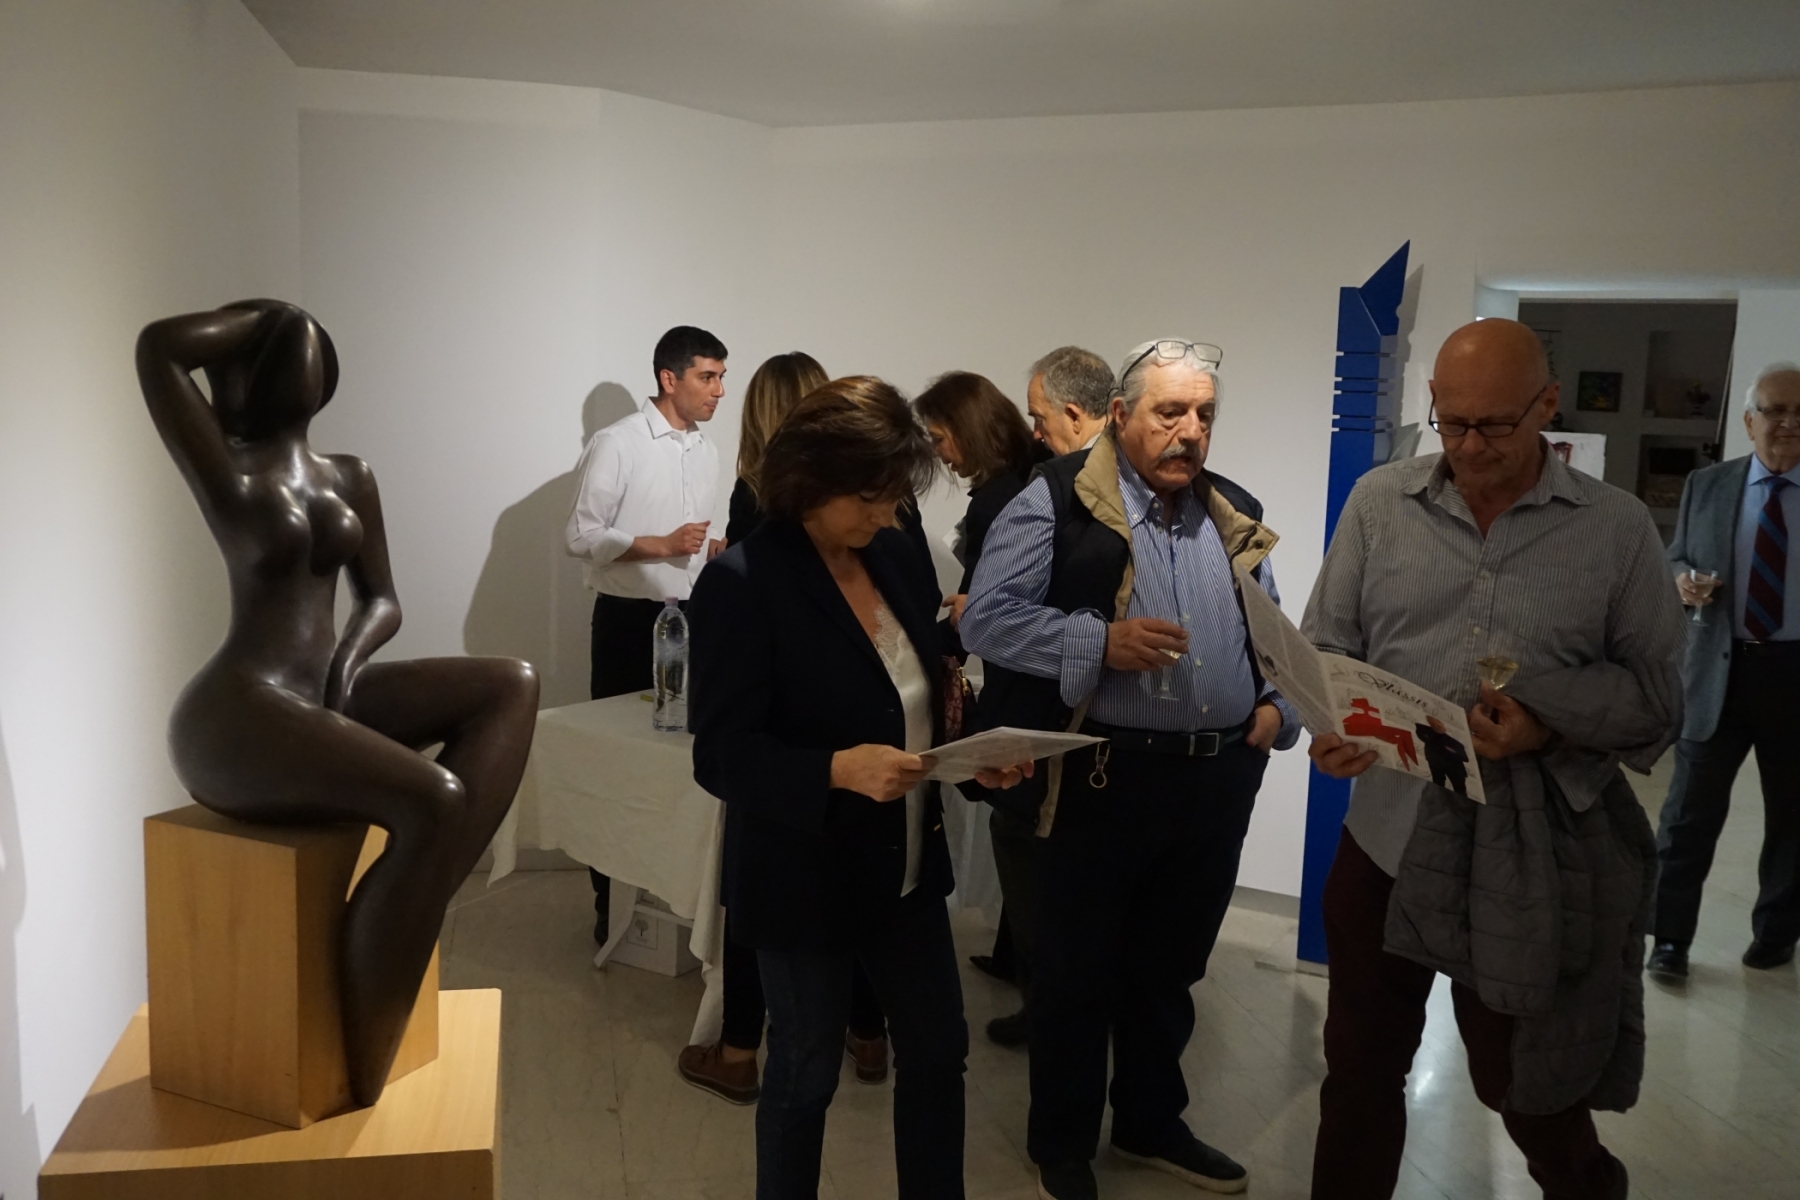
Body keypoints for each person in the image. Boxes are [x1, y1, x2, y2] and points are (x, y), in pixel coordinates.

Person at [1303, 318, 1685, 1200]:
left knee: (1528, 1088)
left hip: (1527, 860)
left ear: (1547, 407)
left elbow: (1657, 702)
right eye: (1454, 423)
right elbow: (1326, 642)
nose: (1470, 447)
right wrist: (1331, 717)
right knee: (1358, 1073)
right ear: (1433, 404)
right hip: (1387, 841)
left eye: (1496, 426)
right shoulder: (1379, 502)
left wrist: (1545, 726)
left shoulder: (1616, 529)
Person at [137, 301, 539, 1106]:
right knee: (433, 798)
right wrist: (265, 316)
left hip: (323, 692)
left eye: (302, 337)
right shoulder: (227, 469)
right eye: (275, 341)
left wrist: (349, 664)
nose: (295, 339)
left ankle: (412, 904)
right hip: (236, 712)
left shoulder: (349, 475)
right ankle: (361, 1070)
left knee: (512, 684)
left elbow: (381, 598)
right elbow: (158, 349)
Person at [961, 339, 1298, 1200]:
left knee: (1170, 971)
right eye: (1169, 412)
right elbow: (986, 620)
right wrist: (1097, 642)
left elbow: (1273, 628)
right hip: (1101, 778)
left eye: (1204, 415)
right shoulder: (1055, 497)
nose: (1190, 432)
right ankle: (1063, 1143)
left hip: (1214, 780)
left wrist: (1277, 708)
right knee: (1075, 974)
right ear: (1120, 415)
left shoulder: (1231, 508)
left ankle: (1151, 1123)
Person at [690, 377, 1033, 1200]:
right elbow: (722, 756)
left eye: (896, 496)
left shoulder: (893, 553)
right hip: (804, 874)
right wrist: (834, 769)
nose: (886, 514)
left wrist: (971, 757)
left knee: (938, 1052)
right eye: (870, 498)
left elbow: (916, 689)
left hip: (904, 869)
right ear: (810, 479)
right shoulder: (744, 582)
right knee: (805, 1073)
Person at [680, 351, 895, 1102]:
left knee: (919, 1048)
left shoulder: (874, 544)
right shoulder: (760, 558)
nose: (883, 514)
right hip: (806, 807)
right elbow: (726, 750)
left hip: (847, 823)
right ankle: (854, 1034)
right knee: (804, 1056)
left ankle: (745, 1045)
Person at [566, 325, 727, 944]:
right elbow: (579, 536)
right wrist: (659, 545)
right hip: (628, 623)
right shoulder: (617, 443)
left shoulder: (708, 451)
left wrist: (713, 553)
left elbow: (695, 546)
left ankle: (669, 902)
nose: (718, 391)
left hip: (694, 618)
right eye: (707, 377)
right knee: (616, 764)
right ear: (669, 378)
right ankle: (610, 907)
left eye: (721, 378)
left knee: (679, 761)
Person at [914, 370, 1051, 1049]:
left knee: (1021, 835)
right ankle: (1015, 960)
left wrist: (933, 638)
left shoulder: (1004, 500)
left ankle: (1040, 997)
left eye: (941, 438)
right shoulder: (1025, 483)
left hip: (1020, 688)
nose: (940, 454)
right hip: (1028, 682)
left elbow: (986, 613)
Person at [1651, 362, 1800, 978]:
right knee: (1687, 818)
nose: (1788, 423)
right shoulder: (1707, 485)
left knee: (1793, 822)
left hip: (1795, 673)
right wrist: (1680, 578)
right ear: (1748, 421)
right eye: (1775, 410)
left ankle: (1776, 935)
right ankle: (1669, 941)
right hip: (1720, 671)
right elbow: (1675, 555)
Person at [1026, 345, 1115, 455]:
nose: (1037, 435)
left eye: (1039, 419)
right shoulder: (1131, 455)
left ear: (1074, 417)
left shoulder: (1085, 465)